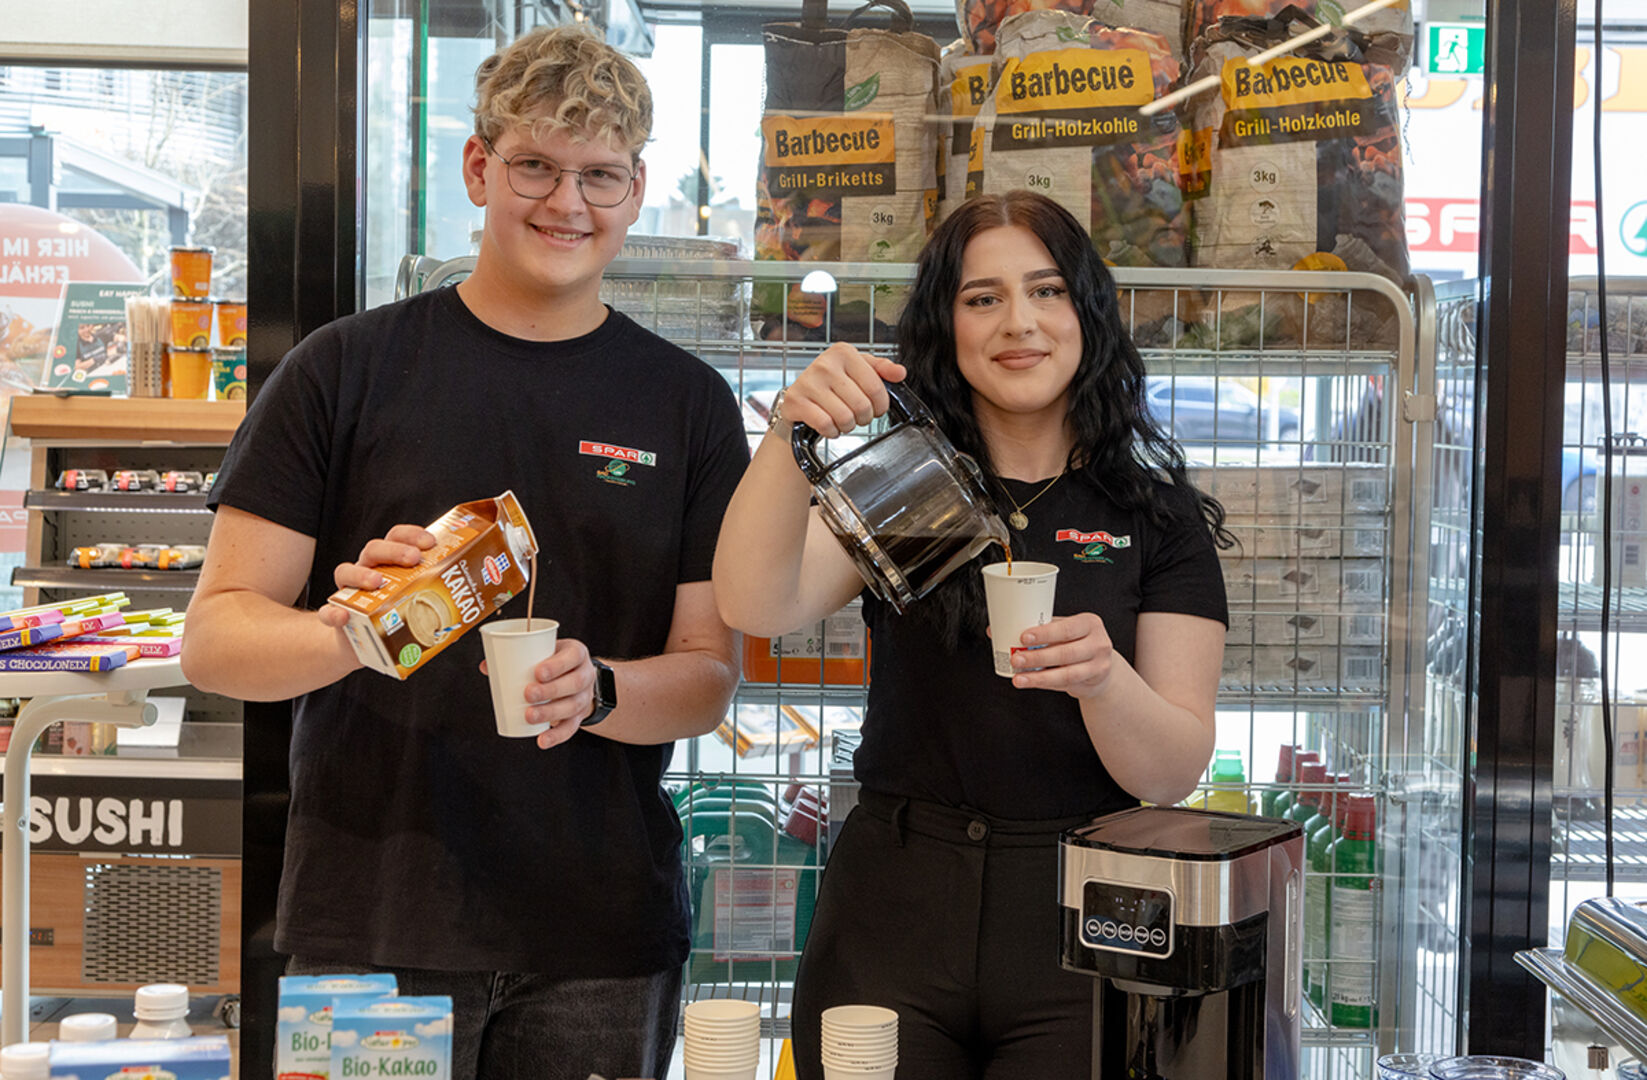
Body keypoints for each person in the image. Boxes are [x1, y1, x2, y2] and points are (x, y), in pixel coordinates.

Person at [181, 24, 748, 1080]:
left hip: (599, 937)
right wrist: (353, 632)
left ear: (635, 190)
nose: (566, 203)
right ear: (479, 167)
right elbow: (214, 642)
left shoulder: (688, 404)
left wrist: (601, 689)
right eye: (535, 166)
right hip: (369, 923)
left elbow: (709, 674)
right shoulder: (341, 370)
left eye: (599, 175)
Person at [713, 190, 1232, 1080]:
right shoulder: (910, 489)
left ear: (1087, 312)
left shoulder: (1152, 515)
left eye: (1046, 290)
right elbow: (756, 605)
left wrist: (1104, 680)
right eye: (981, 298)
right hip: (893, 905)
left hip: (1087, 910)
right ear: (944, 327)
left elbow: (1170, 771)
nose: (1018, 322)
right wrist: (789, 436)